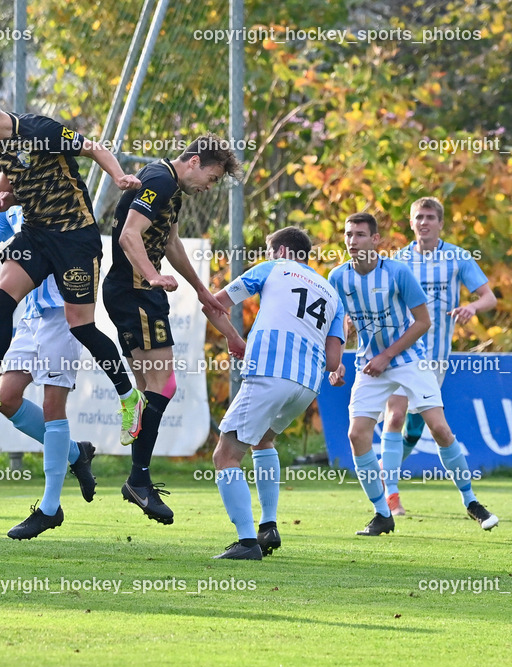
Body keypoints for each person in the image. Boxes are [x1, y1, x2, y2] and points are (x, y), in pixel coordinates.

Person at [0, 86, 155, 447]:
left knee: (81, 326)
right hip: (36, 234)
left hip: (76, 238)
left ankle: (128, 397)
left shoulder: (40, 130)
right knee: (2, 298)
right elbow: (11, 178)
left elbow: (93, 148)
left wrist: (119, 177)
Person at [327, 213, 498, 536]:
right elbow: (340, 322)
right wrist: (336, 363)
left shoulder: (397, 272)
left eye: (360, 235)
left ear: (376, 240)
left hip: (409, 361)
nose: (352, 241)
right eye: (348, 234)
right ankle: (383, 512)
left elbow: (423, 322)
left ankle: (471, 501)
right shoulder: (338, 277)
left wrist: (386, 356)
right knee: (357, 435)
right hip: (370, 363)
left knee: (439, 429)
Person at [103, 136, 241, 525]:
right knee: (164, 386)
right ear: (194, 161)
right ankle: (139, 480)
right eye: (211, 178)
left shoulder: (169, 185)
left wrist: (201, 289)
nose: (209, 187)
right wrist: (153, 276)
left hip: (130, 292)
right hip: (136, 293)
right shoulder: (161, 180)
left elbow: (172, 243)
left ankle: (138, 478)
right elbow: (130, 235)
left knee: (152, 388)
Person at [205, 227, 343, 559]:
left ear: (280, 250)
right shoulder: (332, 294)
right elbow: (334, 361)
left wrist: (234, 338)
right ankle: (268, 528)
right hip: (307, 385)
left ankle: (247, 542)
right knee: (263, 441)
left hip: (269, 372)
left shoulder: (274, 267)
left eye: (269, 251)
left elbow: (214, 305)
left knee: (225, 456)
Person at [0, 206, 96, 539]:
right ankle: (75, 452)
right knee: (5, 397)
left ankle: (49, 508)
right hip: (30, 316)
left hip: (64, 314)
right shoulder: (10, 205)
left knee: (52, 406)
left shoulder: (60, 197)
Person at [380, 196, 497, 515]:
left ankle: (385, 479)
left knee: (420, 430)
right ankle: (390, 496)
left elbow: (489, 298)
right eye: (418, 217)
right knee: (396, 416)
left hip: (436, 359)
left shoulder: (458, 257)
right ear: (412, 222)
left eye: (430, 217)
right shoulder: (398, 260)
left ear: (440, 223)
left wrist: (471, 307)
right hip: (402, 353)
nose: (424, 222)